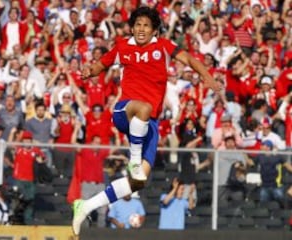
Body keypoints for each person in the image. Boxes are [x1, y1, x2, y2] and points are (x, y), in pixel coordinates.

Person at [72, 6, 219, 236]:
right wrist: (88, 71)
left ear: (154, 30)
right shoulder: (122, 46)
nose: (141, 29)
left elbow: (189, 59)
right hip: (125, 111)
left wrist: (208, 77)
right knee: (144, 108)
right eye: (138, 25)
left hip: (149, 125)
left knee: (137, 183)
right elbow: (101, 65)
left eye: (146, 26)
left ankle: (86, 205)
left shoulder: (163, 46)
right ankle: (134, 160)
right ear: (132, 27)